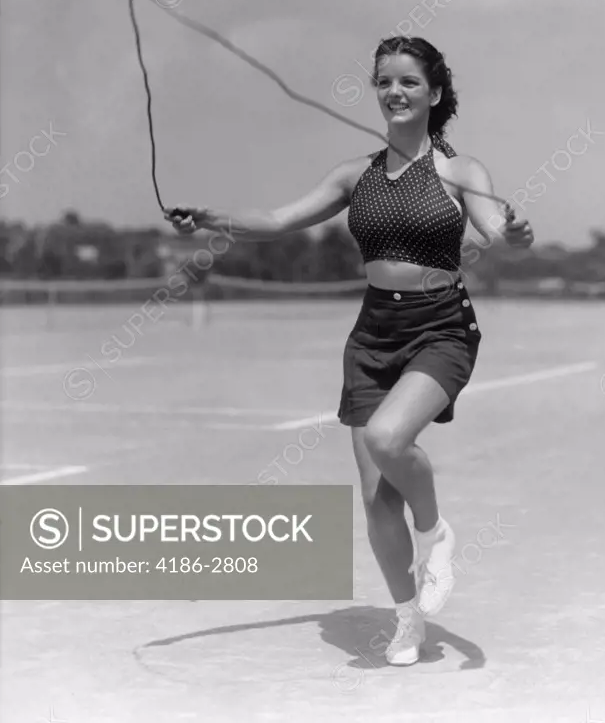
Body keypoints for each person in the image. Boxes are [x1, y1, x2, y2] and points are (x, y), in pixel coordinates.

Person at [166, 35, 534, 666]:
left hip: (441, 327)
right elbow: (281, 219)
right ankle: (406, 619)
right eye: (385, 81)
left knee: (391, 440)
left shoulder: (460, 171)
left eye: (409, 82)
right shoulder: (353, 174)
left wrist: (518, 233)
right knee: (372, 498)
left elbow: (500, 232)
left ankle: (436, 533)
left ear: (435, 94)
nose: (394, 91)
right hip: (372, 337)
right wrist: (210, 218)